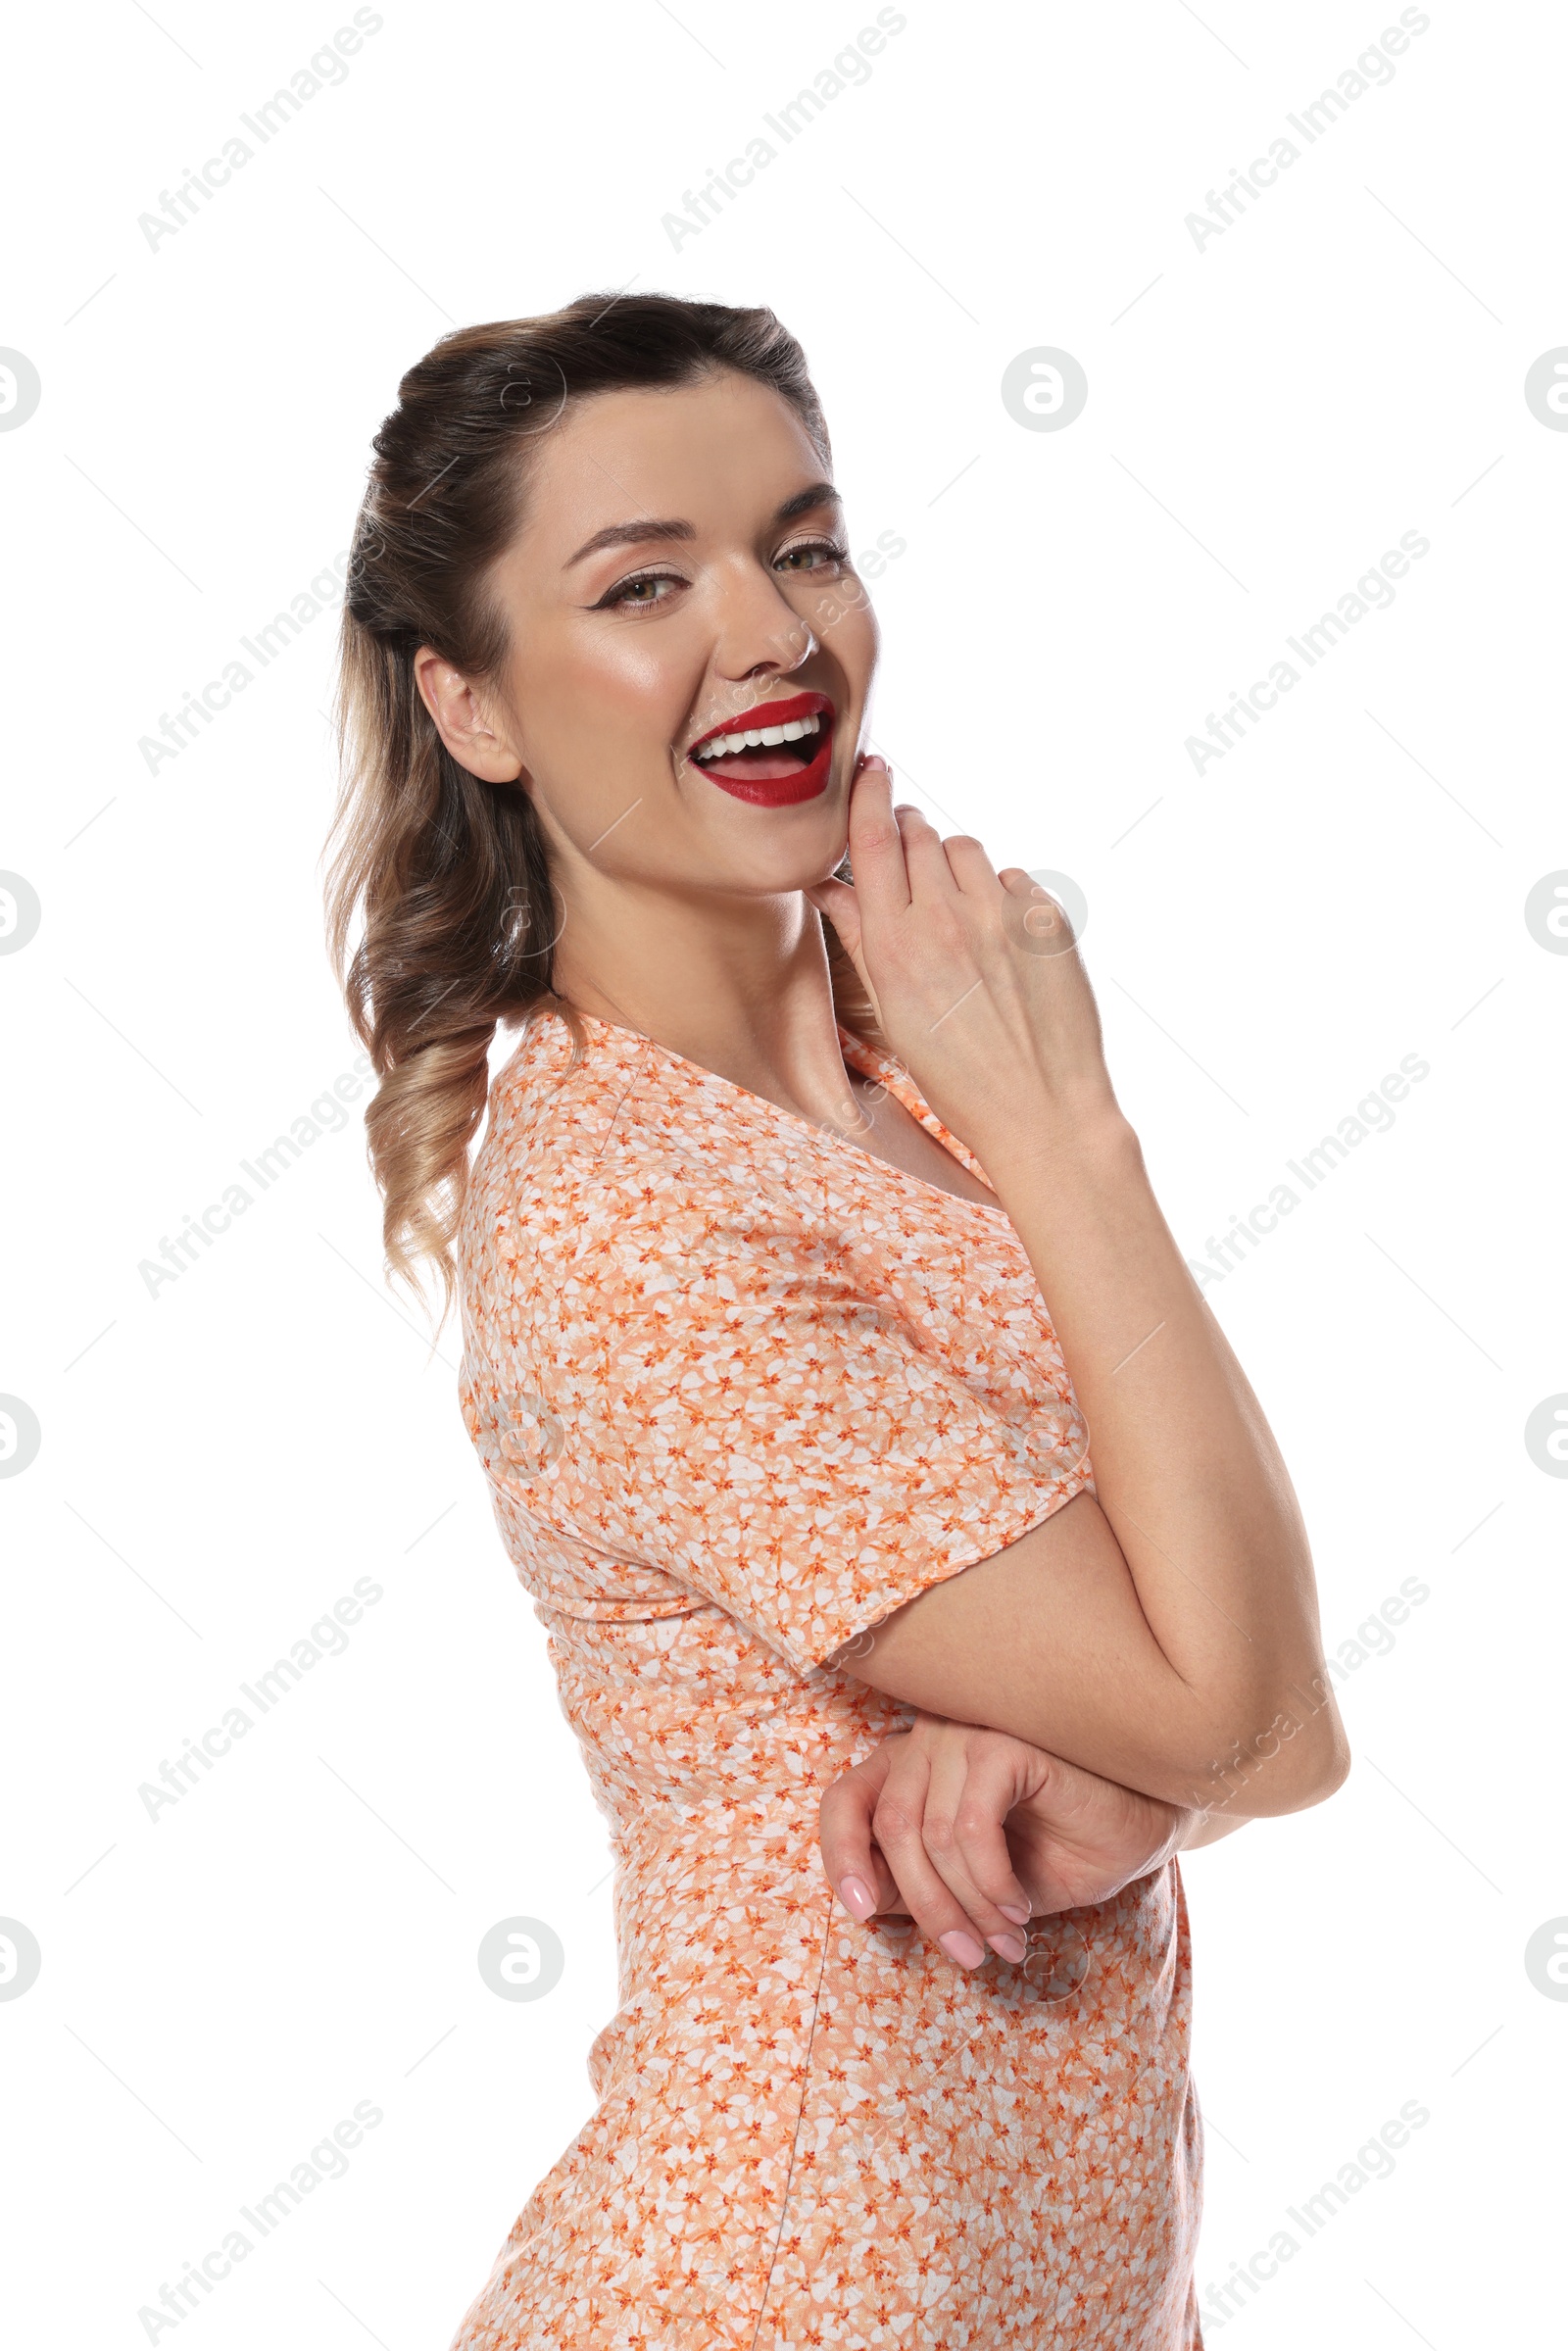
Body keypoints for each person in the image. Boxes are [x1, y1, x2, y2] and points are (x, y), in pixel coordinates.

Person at [325, 292, 1349, 2350]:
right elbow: (1243, 1701)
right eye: (641, 585)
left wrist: (1116, 1784)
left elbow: (1267, 1711)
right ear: (477, 708)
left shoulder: (915, 1065)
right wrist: (1072, 1134)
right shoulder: (623, 1213)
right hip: (780, 2291)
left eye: (801, 544)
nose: (774, 633)